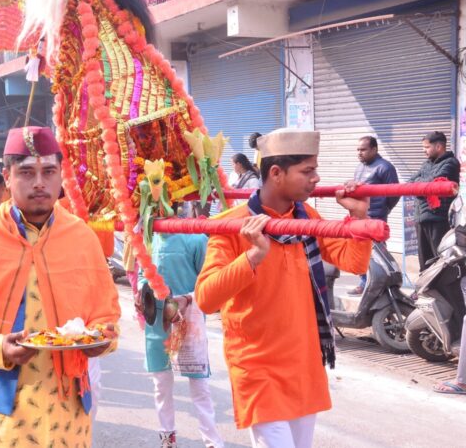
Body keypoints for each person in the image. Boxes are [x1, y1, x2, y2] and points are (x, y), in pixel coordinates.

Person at [0, 126, 121, 447]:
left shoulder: (82, 238)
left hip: (67, 412)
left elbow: (107, 314)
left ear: (60, 175)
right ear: (7, 177)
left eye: (48, 171)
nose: (39, 182)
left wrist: (100, 340)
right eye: (26, 172)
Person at [196, 129, 372, 448]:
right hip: (257, 365)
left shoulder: (306, 219)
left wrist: (358, 216)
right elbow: (206, 299)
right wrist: (253, 256)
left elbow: (355, 263)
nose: (316, 178)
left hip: (303, 363)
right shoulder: (232, 225)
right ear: (276, 173)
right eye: (307, 171)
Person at [137, 229, 224, 448]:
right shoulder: (149, 238)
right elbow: (142, 275)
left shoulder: (197, 240)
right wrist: (140, 292)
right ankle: (167, 441)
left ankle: (212, 443)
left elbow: (209, 283)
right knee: (161, 385)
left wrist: (187, 299)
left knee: (199, 386)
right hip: (157, 322)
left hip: (189, 321)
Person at [348, 136, 399, 295]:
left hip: (376, 218)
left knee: (378, 251)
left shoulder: (385, 167)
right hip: (359, 217)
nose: (359, 153)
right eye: (358, 149)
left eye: (363, 149)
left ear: (374, 149)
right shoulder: (359, 167)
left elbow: (395, 193)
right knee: (360, 250)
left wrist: (384, 208)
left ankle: (382, 284)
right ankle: (364, 283)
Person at [409, 131, 460, 271]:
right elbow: (410, 183)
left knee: (440, 261)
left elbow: (432, 185)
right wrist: (422, 186)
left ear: (438, 147)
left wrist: (420, 186)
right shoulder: (426, 164)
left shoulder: (451, 163)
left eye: (426, 147)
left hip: (438, 219)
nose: (423, 150)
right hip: (421, 217)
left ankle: (443, 285)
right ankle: (424, 284)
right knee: (424, 261)